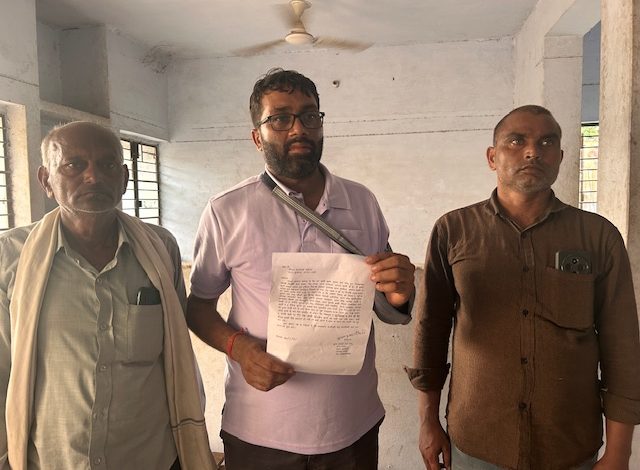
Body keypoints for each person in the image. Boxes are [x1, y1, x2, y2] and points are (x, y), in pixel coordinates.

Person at [186, 68, 416, 469]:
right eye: (280, 118)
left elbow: (386, 301)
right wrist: (239, 348)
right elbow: (198, 307)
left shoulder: (362, 201)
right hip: (260, 429)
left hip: (352, 426)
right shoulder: (227, 210)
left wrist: (399, 293)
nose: (298, 129)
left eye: (310, 116)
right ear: (257, 136)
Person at [407, 105, 640, 470]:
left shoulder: (598, 237)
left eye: (546, 142)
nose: (533, 151)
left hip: (569, 445)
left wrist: (619, 453)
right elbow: (430, 331)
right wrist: (427, 420)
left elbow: (622, 346)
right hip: (477, 443)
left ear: (560, 157)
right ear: (492, 157)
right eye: (516, 141)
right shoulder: (454, 231)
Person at [0, 122, 214, 469]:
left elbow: (176, 355)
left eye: (107, 165)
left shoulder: (160, 249)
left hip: (150, 458)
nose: (93, 176)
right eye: (74, 165)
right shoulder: (11, 256)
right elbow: (2, 368)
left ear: (125, 179)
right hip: (53, 459)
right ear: (45, 180)